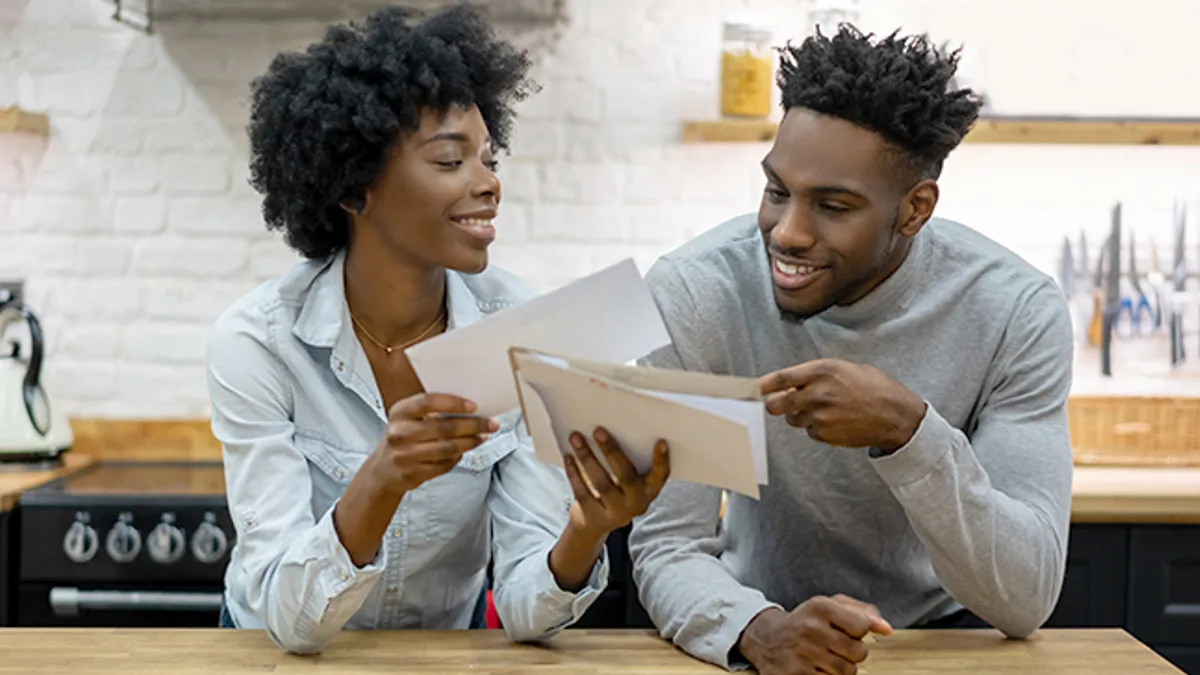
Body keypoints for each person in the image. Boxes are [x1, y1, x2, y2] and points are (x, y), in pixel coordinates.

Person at [204, 5, 669, 654]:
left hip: (438, 655)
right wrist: (383, 476)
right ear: (355, 188)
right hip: (271, 654)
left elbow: (526, 610)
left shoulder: (522, 328)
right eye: (451, 161)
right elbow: (289, 620)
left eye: (488, 158)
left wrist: (586, 527)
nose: (489, 185)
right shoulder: (260, 343)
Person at [623, 24, 1074, 675]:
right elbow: (669, 543)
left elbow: (1024, 596)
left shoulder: (1014, 311)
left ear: (914, 210)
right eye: (777, 190)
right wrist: (755, 629)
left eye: (833, 205)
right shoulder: (697, 293)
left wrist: (908, 429)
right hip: (756, 623)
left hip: (944, 639)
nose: (787, 232)